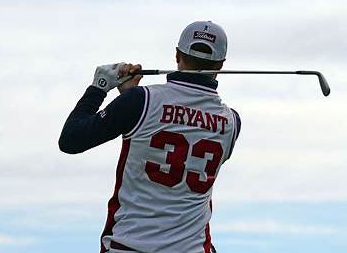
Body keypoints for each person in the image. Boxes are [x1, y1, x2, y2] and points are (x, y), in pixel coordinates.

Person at [59, 21, 241, 253]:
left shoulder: (141, 101)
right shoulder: (232, 122)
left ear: (177, 54)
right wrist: (130, 101)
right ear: (221, 64)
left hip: (127, 246)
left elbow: (71, 140)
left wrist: (99, 87)